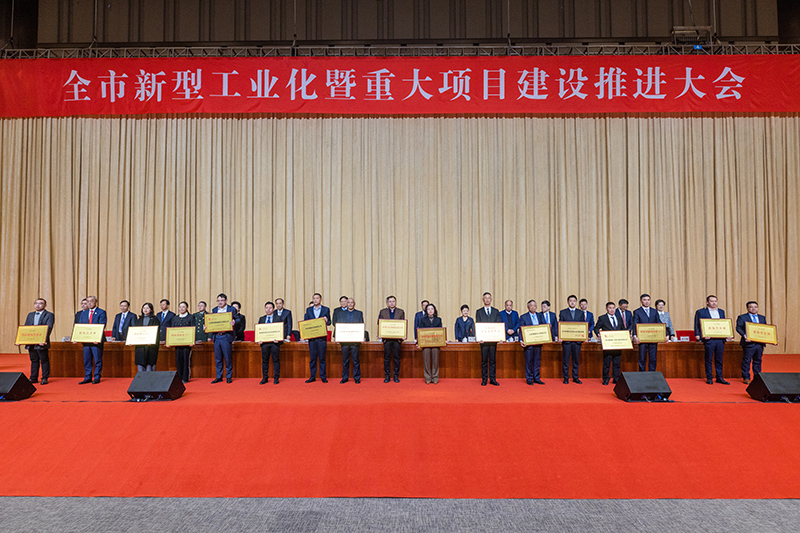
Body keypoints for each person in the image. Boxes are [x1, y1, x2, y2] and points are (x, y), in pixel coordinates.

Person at [693, 295, 732, 385]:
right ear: (707, 302)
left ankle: (719, 377)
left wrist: (727, 334)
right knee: (709, 359)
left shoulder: (721, 311)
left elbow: (724, 324)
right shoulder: (700, 311)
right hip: (709, 339)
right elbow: (697, 324)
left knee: (719, 359)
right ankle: (709, 377)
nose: (714, 303)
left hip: (720, 339)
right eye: (712, 301)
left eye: (715, 301)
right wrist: (698, 335)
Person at [209, 293, 241, 384]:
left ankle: (228, 376)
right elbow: (211, 321)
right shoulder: (214, 309)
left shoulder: (231, 309)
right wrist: (207, 327)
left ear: (226, 301)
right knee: (218, 358)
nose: (220, 302)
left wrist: (234, 322)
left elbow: (238, 319)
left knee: (227, 358)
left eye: (222, 300)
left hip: (226, 336)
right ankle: (219, 376)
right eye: (218, 301)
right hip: (217, 336)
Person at [736, 301, 768, 384]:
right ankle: (746, 377)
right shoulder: (742, 317)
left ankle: (757, 378)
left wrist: (771, 339)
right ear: (747, 308)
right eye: (751, 307)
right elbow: (738, 328)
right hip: (748, 343)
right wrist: (744, 335)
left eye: (755, 307)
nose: (754, 309)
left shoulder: (762, 318)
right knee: (747, 361)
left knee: (758, 360)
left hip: (759, 343)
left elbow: (766, 329)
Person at [24, 298, 54, 385]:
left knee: (44, 360)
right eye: (36, 303)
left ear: (45, 305)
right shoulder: (30, 315)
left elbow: (49, 328)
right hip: (31, 342)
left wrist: (43, 339)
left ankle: (44, 378)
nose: (37, 305)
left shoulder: (49, 315)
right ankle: (33, 378)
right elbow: (26, 328)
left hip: (42, 342)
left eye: (40, 303)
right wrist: (22, 339)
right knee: (34, 360)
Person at [78, 295, 107, 384]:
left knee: (97, 359)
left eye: (91, 301)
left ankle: (97, 376)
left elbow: (102, 325)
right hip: (86, 341)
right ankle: (88, 377)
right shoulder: (83, 313)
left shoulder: (101, 312)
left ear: (96, 302)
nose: (89, 303)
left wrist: (97, 338)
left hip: (96, 341)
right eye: (87, 301)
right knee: (87, 360)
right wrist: (77, 337)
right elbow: (80, 326)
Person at [475, 292, 502, 386]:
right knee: (484, 361)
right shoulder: (479, 311)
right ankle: (484, 379)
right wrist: (479, 338)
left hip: (493, 341)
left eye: (489, 298)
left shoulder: (496, 311)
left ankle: (493, 379)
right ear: (483, 299)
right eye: (485, 298)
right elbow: (478, 325)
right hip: (483, 341)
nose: (487, 299)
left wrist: (499, 337)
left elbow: (498, 325)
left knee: (493, 360)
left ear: (491, 299)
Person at [594, 302, 625, 385]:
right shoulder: (602, 318)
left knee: (617, 363)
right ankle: (606, 379)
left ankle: (616, 378)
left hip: (618, 344)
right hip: (608, 344)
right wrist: (598, 334)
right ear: (606, 309)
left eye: (613, 308)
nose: (612, 310)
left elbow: (623, 328)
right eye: (610, 308)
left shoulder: (619, 317)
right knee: (607, 363)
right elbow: (596, 328)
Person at [377, 295, 405, 383]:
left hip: (397, 339)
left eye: (393, 301)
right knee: (387, 358)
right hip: (387, 339)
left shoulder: (401, 311)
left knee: (397, 358)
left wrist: (403, 335)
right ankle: (387, 376)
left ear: (395, 302)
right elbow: (379, 324)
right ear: (387, 303)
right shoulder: (383, 311)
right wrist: (379, 334)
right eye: (390, 301)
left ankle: (396, 376)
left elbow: (403, 324)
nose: (392, 303)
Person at [304, 293, 331, 383]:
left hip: (322, 338)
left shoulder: (326, 309)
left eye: (317, 298)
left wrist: (327, 320)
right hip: (312, 338)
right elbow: (305, 322)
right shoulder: (308, 310)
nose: (315, 300)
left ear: (320, 299)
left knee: (322, 358)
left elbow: (330, 322)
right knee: (313, 359)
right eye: (314, 298)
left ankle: (323, 377)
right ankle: (312, 377)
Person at [558, 295, 585, 384]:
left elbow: (583, 325)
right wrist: (560, 336)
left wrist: (584, 337)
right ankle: (566, 377)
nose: (572, 302)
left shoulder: (580, 313)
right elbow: (560, 325)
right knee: (566, 360)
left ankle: (575, 377)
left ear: (576, 302)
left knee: (576, 360)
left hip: (577, 341)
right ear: (568, 302)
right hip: (566, 341)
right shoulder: (563, 312)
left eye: (574, 301)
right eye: (570, 301)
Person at [337, 298, 364, 384]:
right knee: (345, 361)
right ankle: (345, 377)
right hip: (344, 341)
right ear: (346, 304)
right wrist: (337, 337)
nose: (350, 304)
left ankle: (357, 378)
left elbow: (361, 325)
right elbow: (338, 325)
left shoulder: (359, 313)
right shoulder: (341, 313)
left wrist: (362, 336)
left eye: (352, 303)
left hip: (355, 341)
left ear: (354, 304)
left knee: (356, 360)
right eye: (348, 302)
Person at [519, 299, 545, 385]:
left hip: (538, 343)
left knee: (537, 361)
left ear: (536, 307)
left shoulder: (540, 316)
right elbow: (521, 329)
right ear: (528, 307)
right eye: (531, 305)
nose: (533, 307)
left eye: (534, 305)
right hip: (528, 343)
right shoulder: (523, 317)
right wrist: (521, 340)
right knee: (529, 362)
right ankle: (529, 379)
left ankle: (537, 378)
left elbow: (544, 327)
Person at [257, 301, 284, 384]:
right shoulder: (261, 319)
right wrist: (259, 339)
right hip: (264, 343)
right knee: (264, 360)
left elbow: (281, 330)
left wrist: (279, 339)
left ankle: (276, 377)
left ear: (273, 309)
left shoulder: (278, 318)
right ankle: (265, 377)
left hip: (275, 343)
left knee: (276, 360)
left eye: (270, 308)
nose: (268, 309)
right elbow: (259, 331)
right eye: (266, 308)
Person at [633, 293, 661, 371]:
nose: (646, 301)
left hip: (653, 338)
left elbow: (659, 323)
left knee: (653, 358)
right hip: (642, 339)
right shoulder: (637, 311)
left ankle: (652, 374)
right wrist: (635, 335)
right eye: (644, 300)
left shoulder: (654, 311)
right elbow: (635, 324)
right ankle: (642, 375)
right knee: (642, 358)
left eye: (648, 300)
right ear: (641, 301)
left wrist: (666, 334)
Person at [417, 303, 442, 384]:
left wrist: (443, 340)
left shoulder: (438, 319)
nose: (430, 310)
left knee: (435, 360)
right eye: (428, 309)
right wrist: (419, 343)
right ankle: (427, 377)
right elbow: (420, 332)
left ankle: (435, 377)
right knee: (426, 360)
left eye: (432, 309)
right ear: (426, 311)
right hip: (426, 343)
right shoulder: (423, 320)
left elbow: (441, 331)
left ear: (434, 310)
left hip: (436, 343)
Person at [171, 301, 196, 383]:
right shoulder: (175, 318)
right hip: (177, 343)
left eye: (183, 307)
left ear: (187, 308)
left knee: (186, 360)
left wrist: (192, 341)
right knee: (178, 360)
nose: (181, 308)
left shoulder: (191, 317)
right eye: (180, 307)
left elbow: (193, 329)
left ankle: (185, 377)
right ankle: (179, 378)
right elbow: (172, 330)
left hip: (187, 343)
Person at [133, 302, 160, 372]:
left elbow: (156, 333)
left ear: (151, 309)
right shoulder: (139, 320)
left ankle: (150, 378)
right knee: (140, 364)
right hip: (140, 347)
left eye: (147, 308)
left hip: (151, 346)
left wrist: (152, 341)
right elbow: (135, 332)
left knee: (149, 365)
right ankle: (141, 378)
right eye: (144, 308)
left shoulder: (155, 319)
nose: (145, 309)